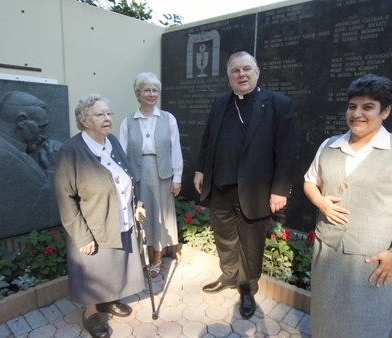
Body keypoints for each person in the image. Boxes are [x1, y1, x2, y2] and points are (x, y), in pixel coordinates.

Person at [303, 74, 392, 337]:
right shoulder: (329, 145)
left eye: (367, 107)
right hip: (327, 252)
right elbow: (310, 181)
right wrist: (320, 201)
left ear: (385, 111)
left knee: (365, 324)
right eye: (352, 107)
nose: (357, 114)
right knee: (324, 320)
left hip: (371, 260)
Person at [193, 51, 296, 319]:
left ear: (257, 72)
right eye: (235, 71)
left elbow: (286, 151)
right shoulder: (219, 102)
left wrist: (279, 189)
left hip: (255, 191)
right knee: (225, 239)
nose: (242, 74)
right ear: (229, 77)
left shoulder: (277, 104)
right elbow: (207, 138)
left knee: (251, 245)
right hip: (220, 188)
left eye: (247, 69)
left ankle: (247, 289)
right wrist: (201, 169)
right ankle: (229, 277)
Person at [54, 93, 146, 338]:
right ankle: (91, 313)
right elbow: (65, 197)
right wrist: (81, 236)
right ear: (84, 121)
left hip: (120, 219)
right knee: (93, 272)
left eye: (108, 114)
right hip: (93, 225)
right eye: (100, 114)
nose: (107, 119)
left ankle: (108, 300)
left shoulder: (112, 141)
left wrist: (136, 204)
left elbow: (126, 176)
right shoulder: (71, 150)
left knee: (114, 266)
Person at [0, 91, 61, 240]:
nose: (43, 135)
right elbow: (42, 212)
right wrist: (53, 169)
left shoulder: (9, 149)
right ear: (21, 121)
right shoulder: (0, 157)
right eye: (40, 128)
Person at [119, 72, 183, 278]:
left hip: (162, 174)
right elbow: (121, 154)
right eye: (147, 90)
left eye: (155, 90)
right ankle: (140, 258)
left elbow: (176, 150)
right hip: (137, 174)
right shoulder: (127, 122)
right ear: (138, 94)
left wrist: (177, 178)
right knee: (140, 217)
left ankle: (157, 259)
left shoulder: (168, 119)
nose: (152, 94)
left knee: (159, 216)